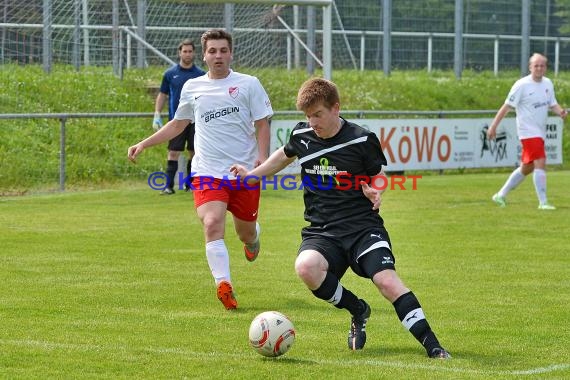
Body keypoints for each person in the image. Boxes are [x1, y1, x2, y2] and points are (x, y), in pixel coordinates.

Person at [230, 78, 450, 358]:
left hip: (362, 227)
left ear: (336, 108)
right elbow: (283, 157)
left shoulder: (361, 138)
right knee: (306, 268)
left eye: (318, 114)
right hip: (322, 231)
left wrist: (376, 191)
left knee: (387, 282)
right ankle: (357, 309)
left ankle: (434, 347)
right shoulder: (302, 136)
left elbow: (378, 176)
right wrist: (251, 175)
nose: (313, 122)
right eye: (308, 116)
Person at [129, 29, 272, 310]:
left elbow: (262, 123)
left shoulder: (249, 84)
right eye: (212, 51)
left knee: (245, 233)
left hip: (243, 174)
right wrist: (144, 144)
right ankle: (224, 284)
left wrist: (262, 160)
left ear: (231, 53)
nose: (218, 56)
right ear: (204, 55)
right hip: (207, 171)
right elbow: (178, 123)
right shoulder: (193, 87)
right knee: (211, 223)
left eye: (223, 50)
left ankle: (253, 237)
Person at [487, 53, 567, 210]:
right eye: (535, 65)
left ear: (546, 67)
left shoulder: (548, 84)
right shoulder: (521, 85)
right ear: (530, 67)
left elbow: (553, 104)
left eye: (542, 65)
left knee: (527, 167)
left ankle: (500, 195)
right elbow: (506, 107)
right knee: (540, 161)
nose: (539, 68)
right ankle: (543, 202)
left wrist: (561, 112)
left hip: (539, 132)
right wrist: (493, 126)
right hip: (527, 132)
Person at [152, 38, 206, 195]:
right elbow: (162, 95)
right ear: (179, 53)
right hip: (176, 120)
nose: (187, 54)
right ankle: (168, 186)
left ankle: (190, 184)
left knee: (194, 152)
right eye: (185, 51)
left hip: (195, 120)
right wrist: (157, 114)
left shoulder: (200, 75)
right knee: (173, 152)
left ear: (194, 53)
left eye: (190, 51)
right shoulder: (170, 74)